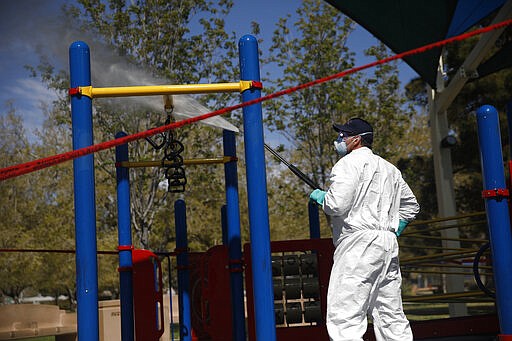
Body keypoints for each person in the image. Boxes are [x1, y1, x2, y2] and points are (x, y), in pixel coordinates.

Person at [309, 118, 420, 341]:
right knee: (390, 312)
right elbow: (411, 206)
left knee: (345, 313)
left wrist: (323, 198)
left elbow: (337, 205)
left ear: (356, 140)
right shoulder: (391, 169)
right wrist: (395, 227)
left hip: (358, 243)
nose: (339, 139)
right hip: (387, 243)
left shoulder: (347, 164)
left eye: (343, 135)